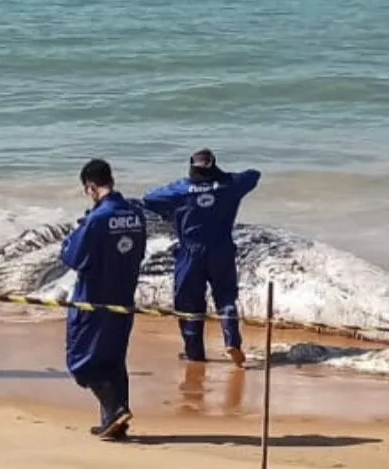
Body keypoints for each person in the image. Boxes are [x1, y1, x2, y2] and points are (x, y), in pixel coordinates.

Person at [141, 148, 260, 365]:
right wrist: (220, 179)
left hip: (191, 253)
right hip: (222, 249)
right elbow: (254, 174)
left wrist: (172, 212)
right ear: (213, 165)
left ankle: (194, 353)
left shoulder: (181, 189)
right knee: (226, 297)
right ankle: (232, 341)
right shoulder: (230, 185)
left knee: (189, 304)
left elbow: (149, 198)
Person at [61, 158, 147, 440]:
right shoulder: (135, 214)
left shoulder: (96, 220)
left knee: (81, 361)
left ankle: (115, 409)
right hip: (124, 295)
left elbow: (73, 257)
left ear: (90, 187)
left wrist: (72, 235)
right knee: (113, 360)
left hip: (94, 298)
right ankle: (114, 423)